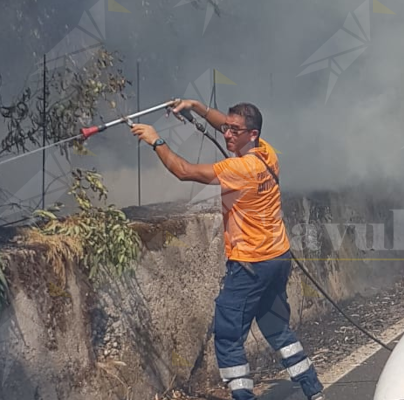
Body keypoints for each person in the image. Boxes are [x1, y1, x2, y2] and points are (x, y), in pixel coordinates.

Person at [130, 99, 325, 400]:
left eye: (235, 130)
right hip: (277, 257)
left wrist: (156, 140)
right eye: (227, 128)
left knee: (228, 335)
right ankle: (313, 389)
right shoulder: (267, 154)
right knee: (275, 326)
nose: (227, 134)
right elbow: (223, 122)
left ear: (252, 133)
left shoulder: (241, 168)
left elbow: (184, 171)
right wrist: (195, 106)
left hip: (250, 264)